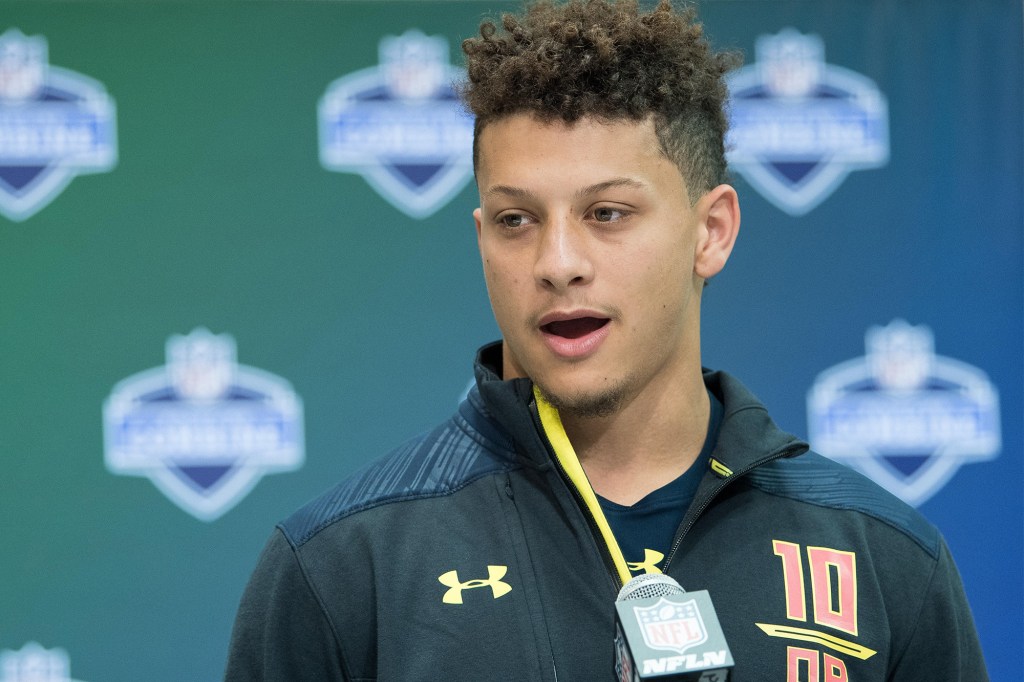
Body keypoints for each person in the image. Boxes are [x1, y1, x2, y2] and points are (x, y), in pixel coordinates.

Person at [225, 1, 988, 679]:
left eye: (608, 214)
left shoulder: (883, 555)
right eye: (516, 220)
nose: (558, 264)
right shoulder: (343, 565)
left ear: (711, 231)